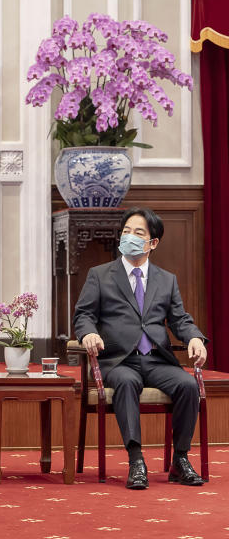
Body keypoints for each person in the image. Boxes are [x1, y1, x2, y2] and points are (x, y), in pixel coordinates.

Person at [74, 207, 207, 489]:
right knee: (126, 383)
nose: (130, 237)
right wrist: (87, 334)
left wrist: (194, 337)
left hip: (157, 360)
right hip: (118, 361)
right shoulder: (100, 275)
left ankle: (180, 460)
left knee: (187, 385)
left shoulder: (166, 279)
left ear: (153, 243)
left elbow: (180, 320)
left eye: (138, 233)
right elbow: (83, 315)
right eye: (126, 231)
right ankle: (136, 460)